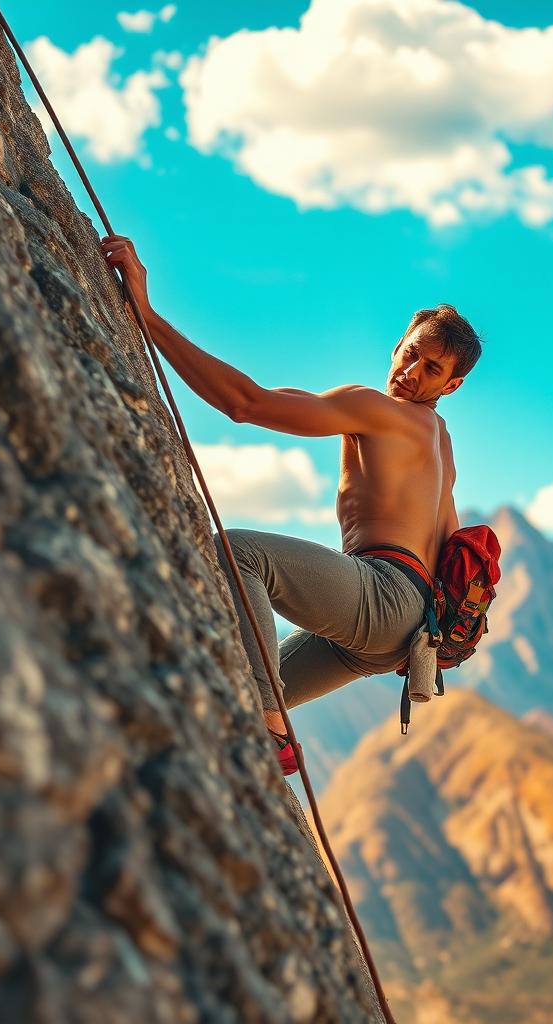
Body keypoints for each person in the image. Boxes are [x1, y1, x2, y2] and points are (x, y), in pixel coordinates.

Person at [100, 235, 482, 774]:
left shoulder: (377, 409)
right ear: (399, 342)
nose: (412, 371)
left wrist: (147, 315)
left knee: (240, 555)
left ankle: (273, 732)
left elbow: (244, 404)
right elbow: (278, 398)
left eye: (433, 369)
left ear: (453, 384)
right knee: (232, 687)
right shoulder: (436, 439)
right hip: (403, 636)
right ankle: (254, 743)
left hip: (383, 596)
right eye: (412, 352)